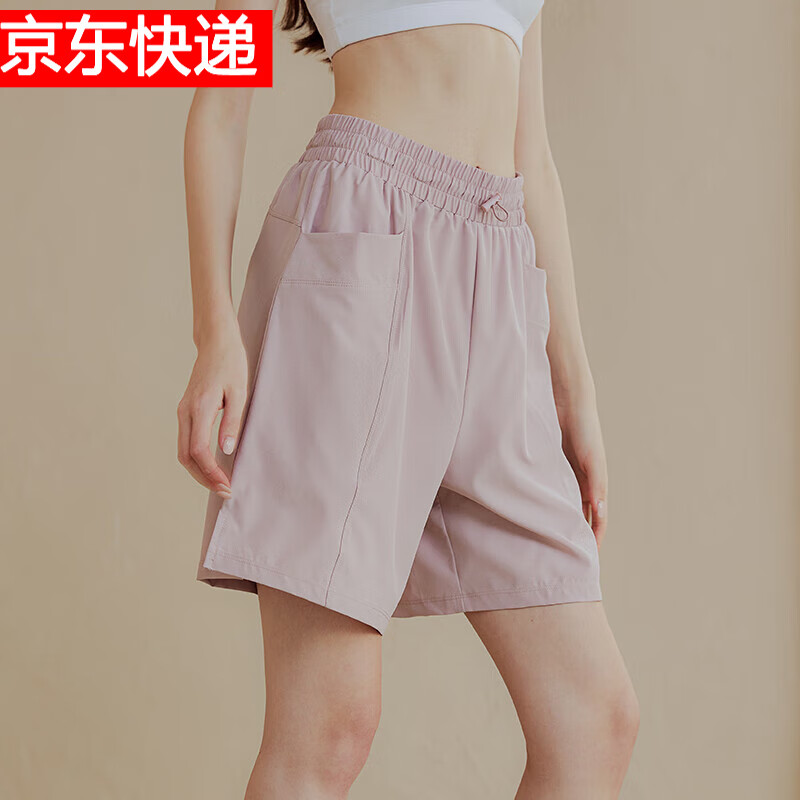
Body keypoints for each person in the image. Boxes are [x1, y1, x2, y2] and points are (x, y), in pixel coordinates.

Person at [179, 0, 640, 796]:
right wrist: (214, 331)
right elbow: (219, 112)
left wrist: (576, 389)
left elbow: (533, 154)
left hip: (500, 273)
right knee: (329, 727)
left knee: (593, 721)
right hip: (365, 240)